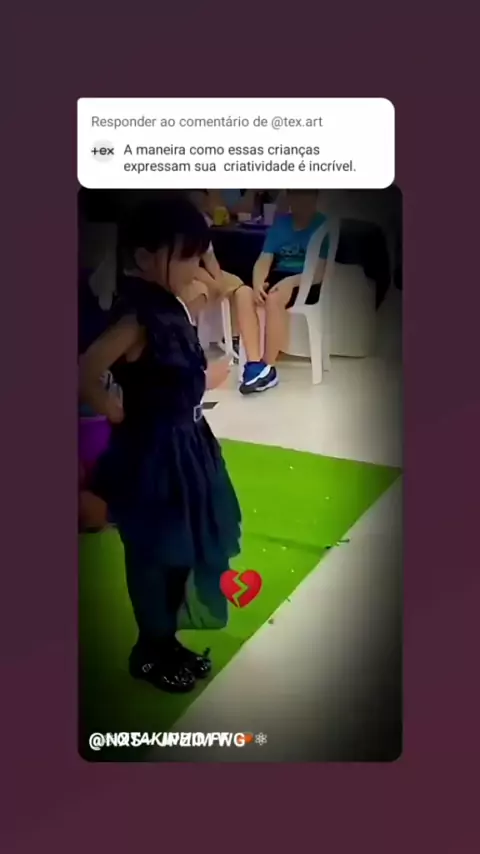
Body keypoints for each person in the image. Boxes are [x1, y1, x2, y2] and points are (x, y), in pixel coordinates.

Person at [79, 197, 242, 693]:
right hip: (153, 453)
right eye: (186, 256)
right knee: (154, 553)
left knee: (182, 549)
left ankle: (166, 641)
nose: (196, 268)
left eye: (198, 255)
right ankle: (149, 650)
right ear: (145, 257)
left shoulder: (171, 301)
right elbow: (86, 368)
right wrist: (111, 408)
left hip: (188, 444)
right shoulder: (136, 316)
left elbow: (211, 291)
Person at [236, 189, 330, 394]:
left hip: (306, 280)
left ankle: (268, 367)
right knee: (243, 294)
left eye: (305, 195)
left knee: (275, 299)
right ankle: (254, 365)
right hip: (280, 275)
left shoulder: (323, 225)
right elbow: (264, 259)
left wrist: (292, 282)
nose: (300, 201)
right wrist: (258, 283)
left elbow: (319, 272)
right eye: (295, 195)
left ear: (315, 197)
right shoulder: (280, 225)